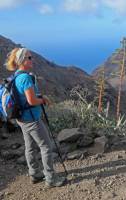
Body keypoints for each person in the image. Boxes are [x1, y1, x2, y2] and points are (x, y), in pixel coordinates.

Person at [5, 47, 66, 187]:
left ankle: (35, 174)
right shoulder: (25, 78)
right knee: (46, 146)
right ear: (22, 60)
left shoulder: (17, 75)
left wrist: (38, 98)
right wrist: (43, 100)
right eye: (29, 58)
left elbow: (25, 98)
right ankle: (51, 179)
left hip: (21, 118)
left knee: (30, 147)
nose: (32, 60)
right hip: (31, 119)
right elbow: (32, 101)